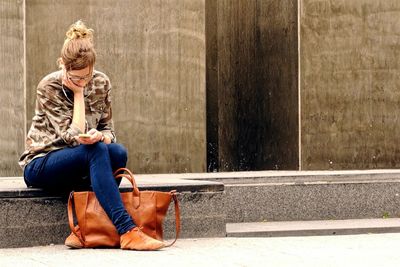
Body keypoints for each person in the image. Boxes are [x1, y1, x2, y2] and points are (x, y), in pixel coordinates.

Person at [18, 20, 164, 251]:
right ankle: (127, 230)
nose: (83, 82)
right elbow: (71, 136)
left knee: (117, 151)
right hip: (41, 162)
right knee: (95, 151)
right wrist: (78, 94)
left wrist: (101, 136)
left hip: (83, 157)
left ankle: (86, 229)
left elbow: (109, 130)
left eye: (87, 77)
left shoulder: (102, 82)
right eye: (76, 78)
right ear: (62, 65)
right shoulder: (48, 86)